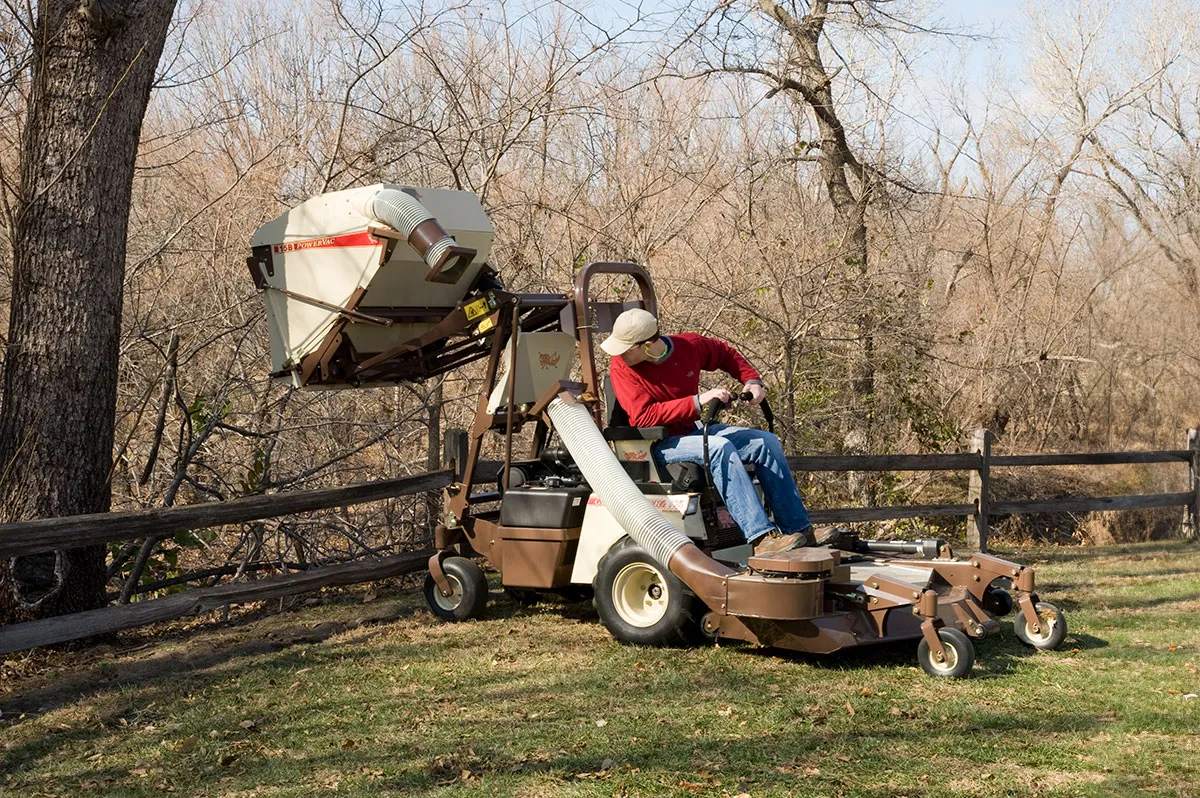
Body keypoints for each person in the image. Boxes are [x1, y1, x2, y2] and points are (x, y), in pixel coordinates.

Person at [601, 308, 815, 555]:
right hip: (658, 444)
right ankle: (761, 538)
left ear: (648, 345)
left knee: (765, 442)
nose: (619, 354)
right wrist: (697, 401)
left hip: (693, 432)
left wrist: (752, 380)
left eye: (626, 348)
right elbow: (644, 416)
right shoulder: (621, 367)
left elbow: (726, 355)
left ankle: (797, 529)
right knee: (718, 447)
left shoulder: (689, 346)